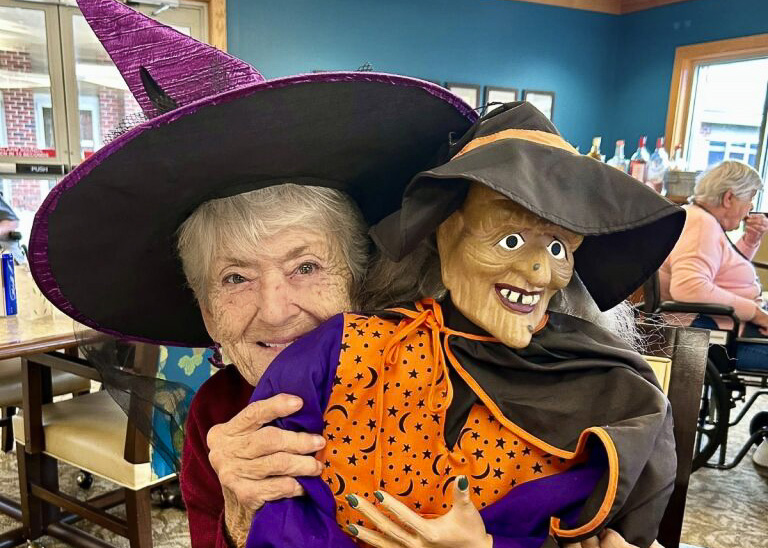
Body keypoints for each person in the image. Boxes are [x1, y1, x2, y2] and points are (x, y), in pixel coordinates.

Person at [31, 4, 666, 548]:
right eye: (233, 279)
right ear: (202, 307)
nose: (276, 310)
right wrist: (241, 513)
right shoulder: (224, 416)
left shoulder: (483, 369)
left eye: (306, 265)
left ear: (364, 273)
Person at [244, 102, 683, 548]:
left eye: (557, 248)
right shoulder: (340, 351)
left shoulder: (610, 392)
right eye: (509, 240)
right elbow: (277, 506)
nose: (537, 272)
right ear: (445, 233)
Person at [659, 160, 768, 368]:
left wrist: (750, 239)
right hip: (719, 335)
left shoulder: (702, 218)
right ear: (728, 198)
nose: (751, 206)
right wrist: (756, 313)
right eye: (750, 197)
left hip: (730, 326)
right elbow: (689, 289)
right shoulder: (701, 224)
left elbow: (724, 272)